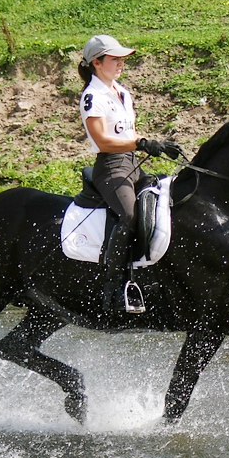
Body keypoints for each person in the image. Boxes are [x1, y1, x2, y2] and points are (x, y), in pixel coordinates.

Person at [78, 34, 182, 313]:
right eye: (115, 59)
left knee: (162, 201)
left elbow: (128, 133)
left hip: (132, 163)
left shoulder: (122, 92)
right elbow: (103, 141)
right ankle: (112, 288)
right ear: (97, 63)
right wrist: (140, 143)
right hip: (111, 167)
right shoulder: (93, 96)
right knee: (129, 215)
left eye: (122, 58)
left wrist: (154, 145)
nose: (121, 63)